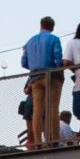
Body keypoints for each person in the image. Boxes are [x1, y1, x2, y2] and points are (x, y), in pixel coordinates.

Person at [21, 17, 64, 149]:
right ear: (52, 27)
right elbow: (58, 58)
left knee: (37, 111)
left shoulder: (29, 42)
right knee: (52, 108)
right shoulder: (54, 39)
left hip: (35, 78)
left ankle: (38, 142)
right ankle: (53, 139)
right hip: (51, 77)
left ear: (40, 25)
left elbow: (23, 62)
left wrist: (35, 66)